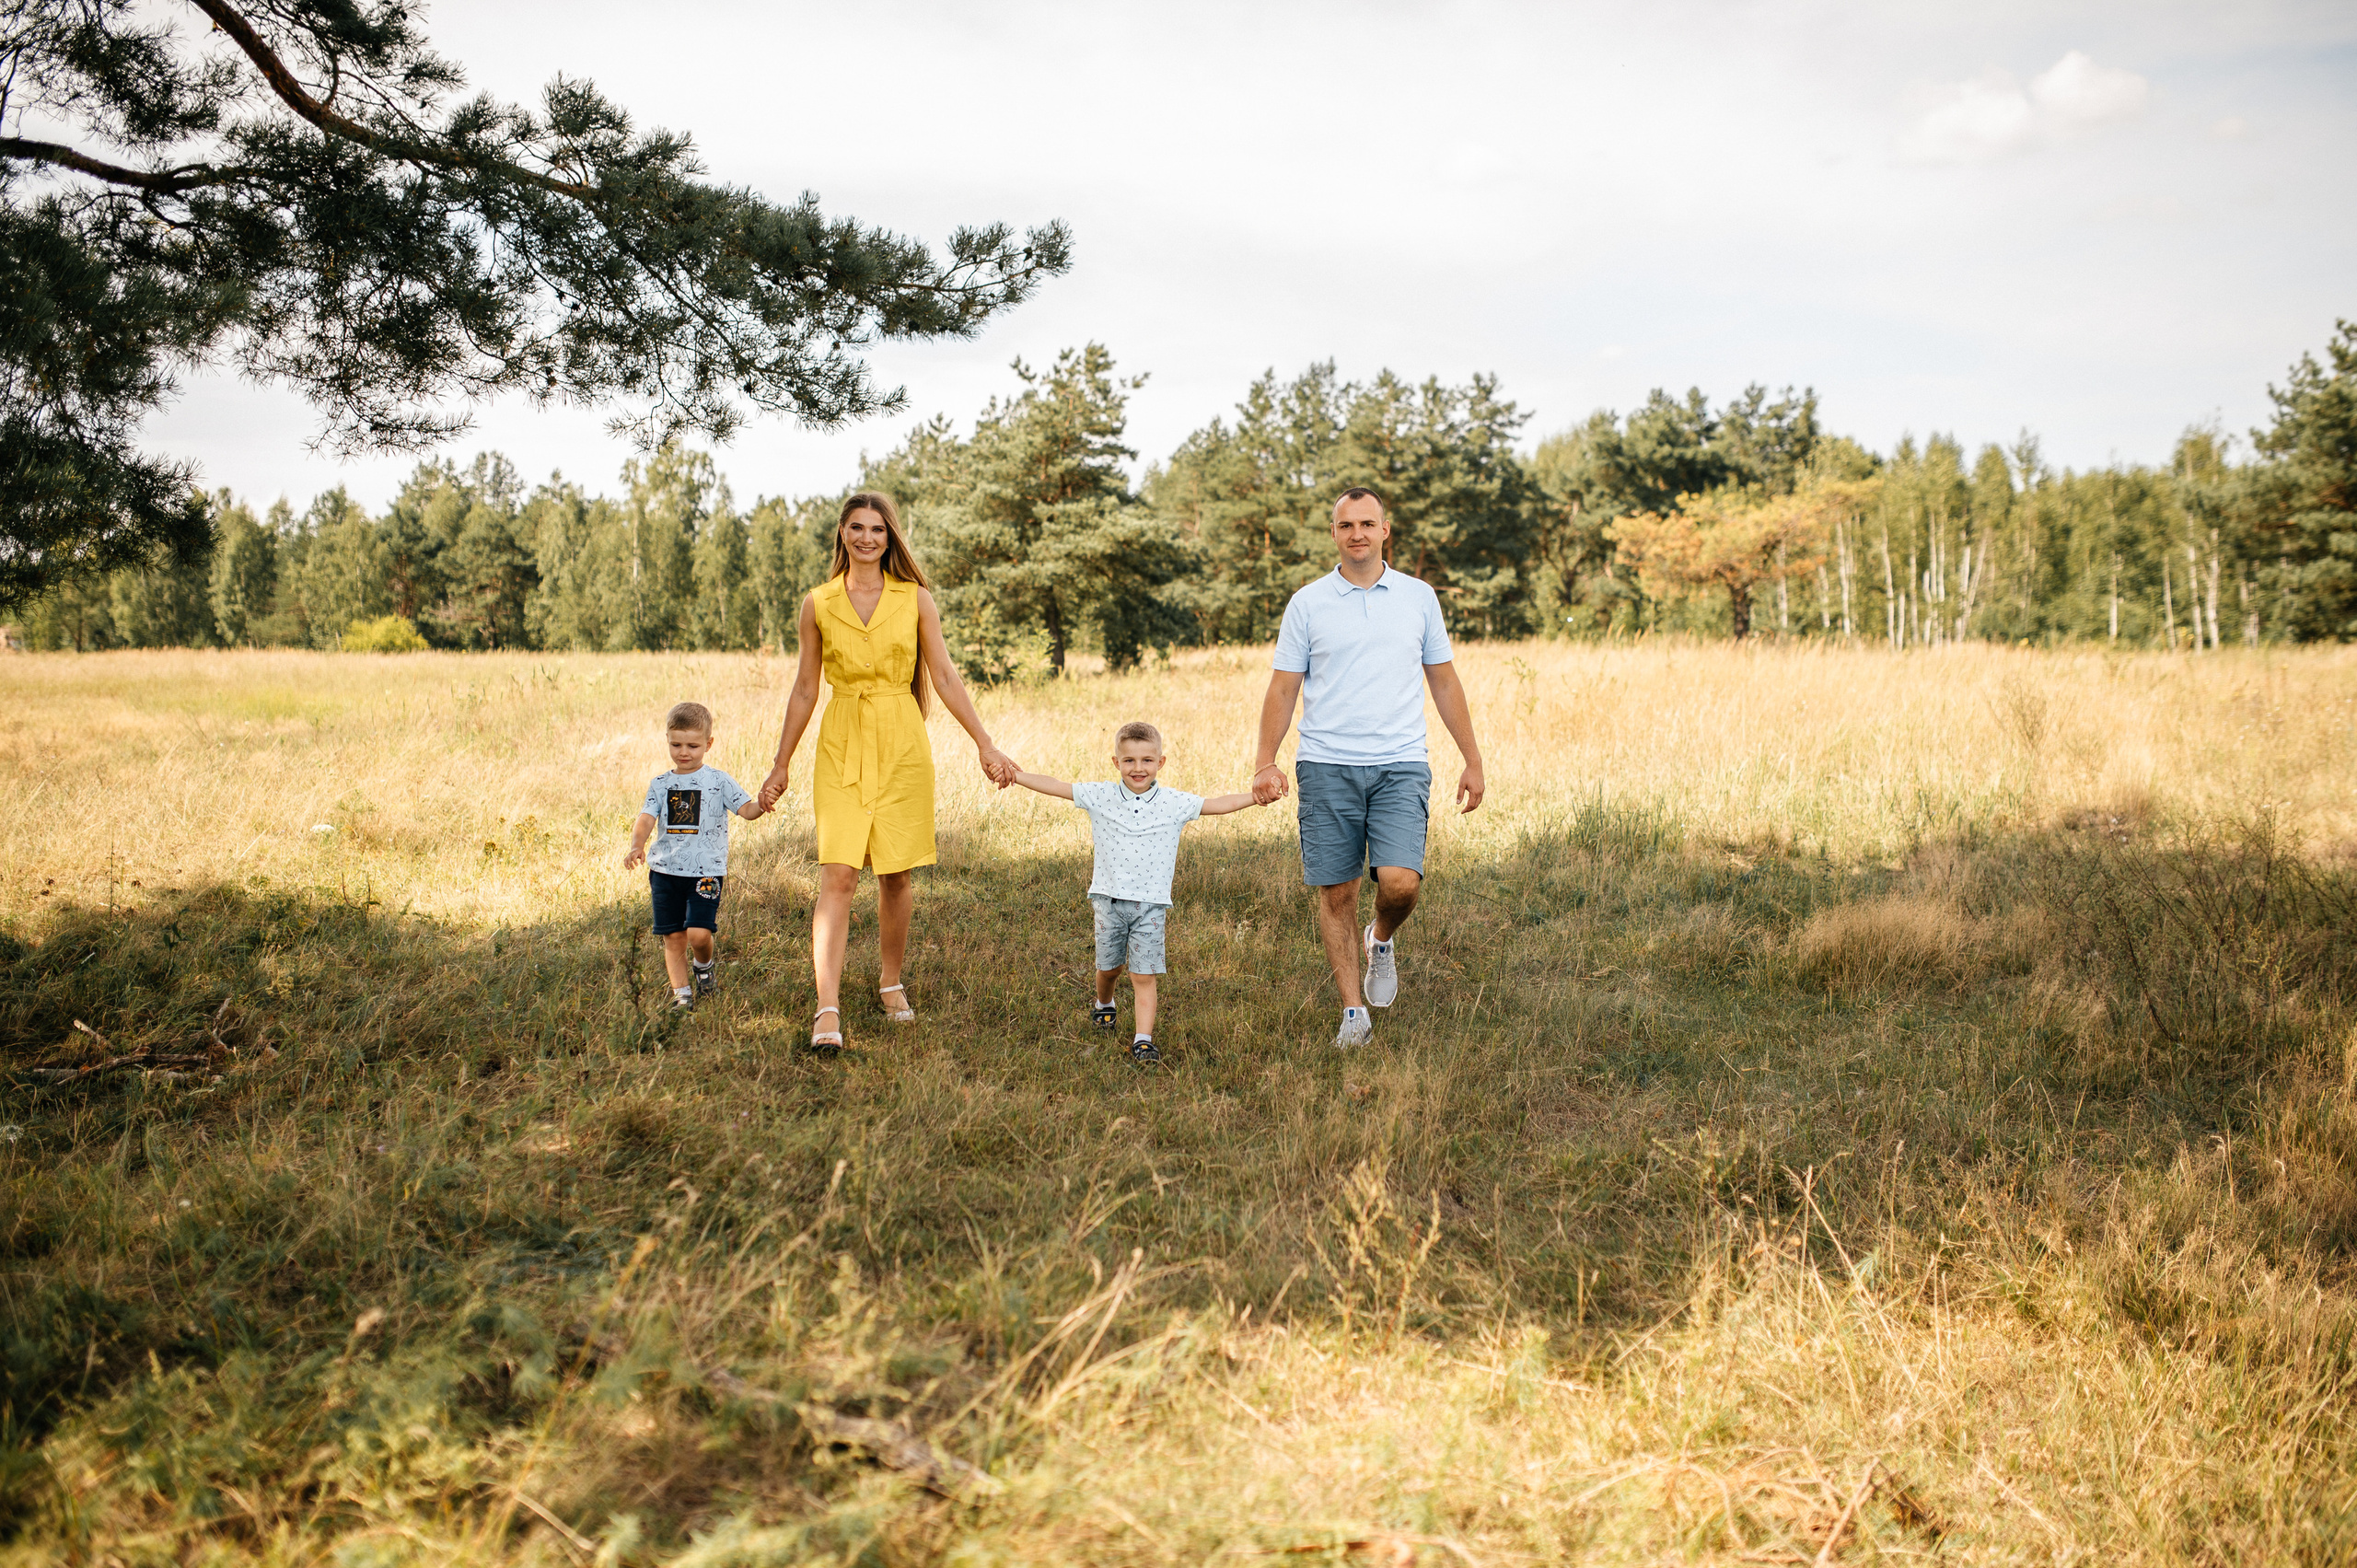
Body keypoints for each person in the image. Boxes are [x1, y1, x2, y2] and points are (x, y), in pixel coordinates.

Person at [758, 492, 1017, 1053]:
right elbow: (805, 687)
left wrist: (984, 743)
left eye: (877, 529)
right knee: (839, 876)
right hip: (842, 743)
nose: (867, 538)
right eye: (857, 528)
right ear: (843, 534)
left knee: (896, 874)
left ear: (889, 536)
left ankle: (890, 981)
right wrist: (781, 762)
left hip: (902, 743)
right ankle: (827, 1006)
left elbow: (944, 676)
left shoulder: (915, 599)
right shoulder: (819, 603)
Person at [1250, 485, 1486, 1047]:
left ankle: (1380, 939)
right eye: (1345, 525)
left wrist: (1472, 760)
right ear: (1334, 534)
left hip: (1400, 763)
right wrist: (1265, 760)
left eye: (1366, 523)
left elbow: (1445, 680)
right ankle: (1353, 1012)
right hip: (1327, 764)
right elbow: (1284, 687)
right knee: (1337, 893)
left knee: (1402, 884)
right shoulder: (1308, 602)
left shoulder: (1418, 597)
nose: (1356, 533)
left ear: (1385, 530)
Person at [1003, 720, 1266, 1063]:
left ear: (1161, 762)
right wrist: (1015, 775)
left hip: (1151, 907)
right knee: (1109, 968)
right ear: (1116, 763)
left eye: (1147, 760)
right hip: (1109, 902)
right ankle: (1104, 1002)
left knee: (1143, 974)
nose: (1138, 768)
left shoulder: (1174, 803)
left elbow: (1218, 803)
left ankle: (1143, 1040)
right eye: (1129, 761)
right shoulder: (1101, 796)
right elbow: (1056, 786)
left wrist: (1257, 796)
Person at [623, 701, 769, 1010]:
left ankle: (704, 966)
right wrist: (637, 844)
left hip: (705, 872)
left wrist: (763, 802)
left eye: (693, 745)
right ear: (667, 740)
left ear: (708, 744)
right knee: (673, 937)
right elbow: (646, 818)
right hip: (664, 871)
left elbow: (746, 810)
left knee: (699, 934)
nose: (683, 752)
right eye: (676, 744)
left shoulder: (719, 781)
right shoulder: (660, 784)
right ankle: (683, 995)